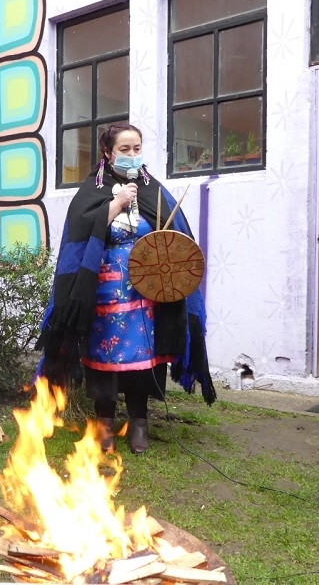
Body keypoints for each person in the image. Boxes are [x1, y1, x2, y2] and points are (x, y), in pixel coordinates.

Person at [35, 122, 215, 454]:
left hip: (146, 296)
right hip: (103, 294)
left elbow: (175, 235)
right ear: (107, 153)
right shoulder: (93, 192)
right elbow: (79, 233)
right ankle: (103, 423)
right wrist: (115, 205)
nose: (132, 156)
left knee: (142, 360)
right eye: (124, 150)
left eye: (136, 149)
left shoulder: (153, 189)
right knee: (102, 361)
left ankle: (139, 424)